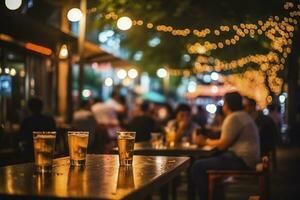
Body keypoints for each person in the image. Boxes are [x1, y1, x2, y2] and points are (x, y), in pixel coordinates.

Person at [190, 92, 260, 200]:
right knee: (202, 161)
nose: (223, 106)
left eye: (224, 103)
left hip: (242, 160)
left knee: (197, 166)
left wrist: (204, 142)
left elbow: (222, 144)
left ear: (227, 104)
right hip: (247, 158)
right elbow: (225, 141)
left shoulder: (234, 117)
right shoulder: (243, 115)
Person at [19, 97, 56, 161]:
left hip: (29, 154)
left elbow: (21, 138)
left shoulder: (26, 121)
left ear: (29, 108)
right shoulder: (49, 120)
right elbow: (56, 137)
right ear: (41, 107)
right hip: (48, 152)